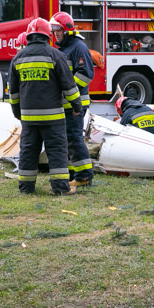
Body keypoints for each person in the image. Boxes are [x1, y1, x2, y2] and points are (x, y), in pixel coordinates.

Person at [8, 18, 82, 196]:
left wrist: (18, 113)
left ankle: (26, 188)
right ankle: (60, 188)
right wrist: (77, 105)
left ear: (29, 35)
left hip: (29, 118)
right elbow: (69, 86)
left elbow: (14, 93)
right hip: (53, 118)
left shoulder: (18, 58)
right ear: (47, 35)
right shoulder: (56, 55)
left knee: (28, 151)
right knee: (57, 152)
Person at [50, 11, 95, 186]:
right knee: (68, 139)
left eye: (58, 30)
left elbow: (86, 75)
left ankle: (84, 176)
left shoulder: (78, 47)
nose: (55, 34)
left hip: (76, 104)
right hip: (67, 103)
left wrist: (66, 90)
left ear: (67, 30)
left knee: (75, 139)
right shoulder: (64, 48)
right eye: (53, 30)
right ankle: (74, 173)